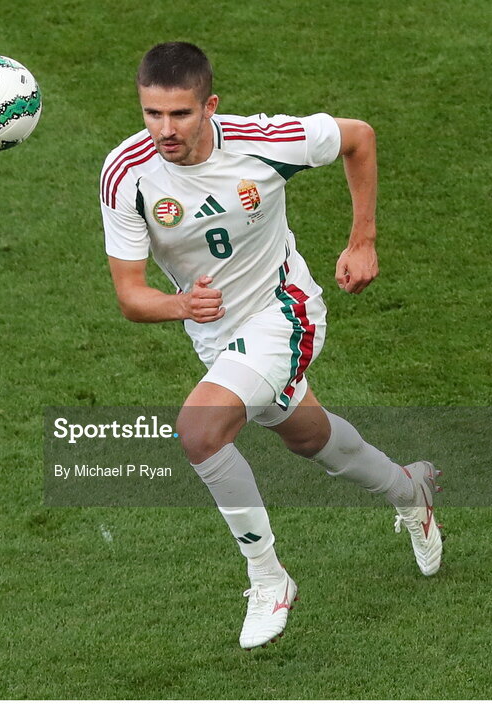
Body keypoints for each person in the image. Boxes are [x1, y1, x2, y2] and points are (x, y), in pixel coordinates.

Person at [98, 42, 442, 649]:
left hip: (285, 313)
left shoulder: (263, 141)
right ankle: (410, 491)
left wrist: (363, 240)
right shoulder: (127, 175)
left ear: (210, 106)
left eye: (180, 114)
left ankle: (269, 579)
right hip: (215, 338)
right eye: (152, 113)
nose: (164, 130)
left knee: (200, 431)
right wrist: (180, 305)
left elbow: (358, 136)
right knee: (308, 437)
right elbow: (130, 296)